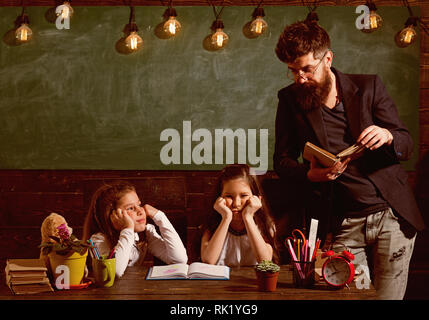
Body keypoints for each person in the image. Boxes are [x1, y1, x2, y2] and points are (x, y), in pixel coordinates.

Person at [273, 20, 425, 299]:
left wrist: (387, 135)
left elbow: (406, 142)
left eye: (307, 69)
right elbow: (281, 162)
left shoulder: (369, 87)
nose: (300, 78)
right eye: (293, 71)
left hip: (391, 216)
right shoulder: (290, 99)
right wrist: (310, 175)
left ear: (327, 58)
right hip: (341, 222)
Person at [83, 181, 188, 277]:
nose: (141, 211)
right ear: (113, 215)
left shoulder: (144, 234)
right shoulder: (99, 239)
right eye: (131, 208)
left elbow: (179, 260)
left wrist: (160, 217)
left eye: (139, 205)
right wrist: (127, 228)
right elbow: (115, 271)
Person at [201, 164, 279, 266]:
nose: (236, 204)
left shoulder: (265, 225)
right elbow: (208, 260)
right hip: (219, 282)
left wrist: (248, 218)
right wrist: (226, 218)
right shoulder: (212, 226)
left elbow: (265, 261)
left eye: (243, 196)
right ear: (219, 198)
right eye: (229, 196)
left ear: (256, 199)